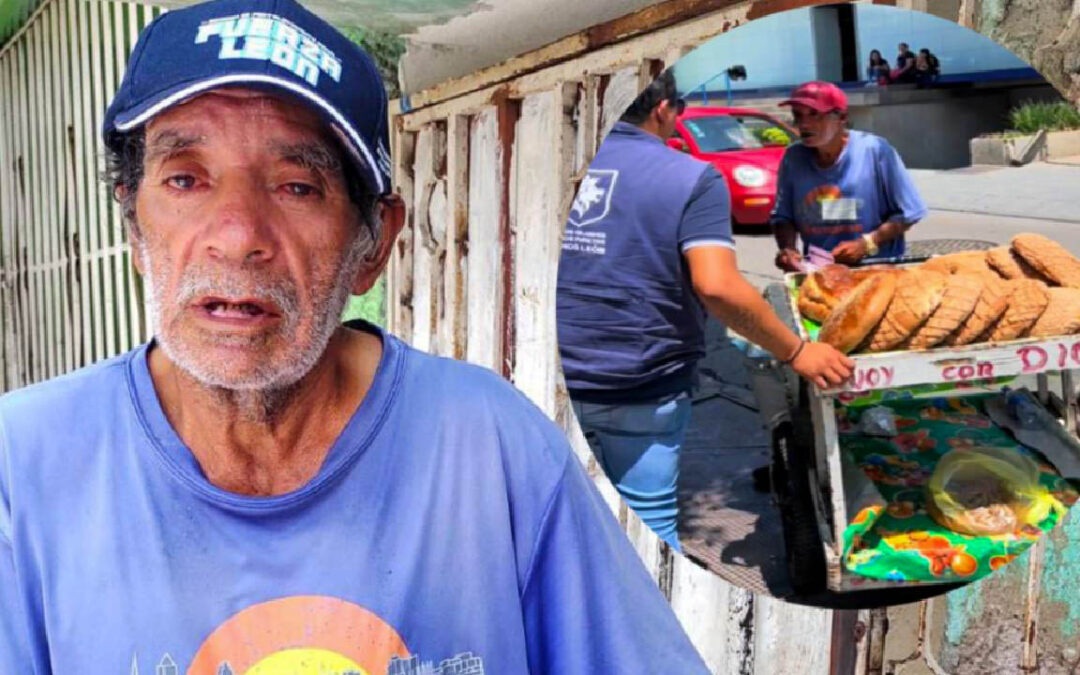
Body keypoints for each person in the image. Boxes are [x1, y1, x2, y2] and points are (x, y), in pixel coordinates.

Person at [0, 0, 713, 672]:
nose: (238, 236)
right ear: (132, 224)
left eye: (296, 187)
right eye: (186, 180)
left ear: (373, 244)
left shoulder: (488, 449)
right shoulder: (23, 470)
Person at [557, 70, 854, 552]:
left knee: (563, 523)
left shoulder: (569, 163)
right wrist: (797, 351)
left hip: (563, 371)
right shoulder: (688, 175)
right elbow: (716, 286)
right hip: (640, 384)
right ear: (664, 109)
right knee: (639, 535)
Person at [771, 81, 928, 271]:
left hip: (875, 269)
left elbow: (909, 213)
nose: (804, 124)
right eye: (798, 115)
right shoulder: (793, 157)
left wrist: (868, 243)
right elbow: (783, 216)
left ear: (842, 117)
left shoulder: (875, 150)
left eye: (814, 114)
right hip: (820, 272)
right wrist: (788, 249)